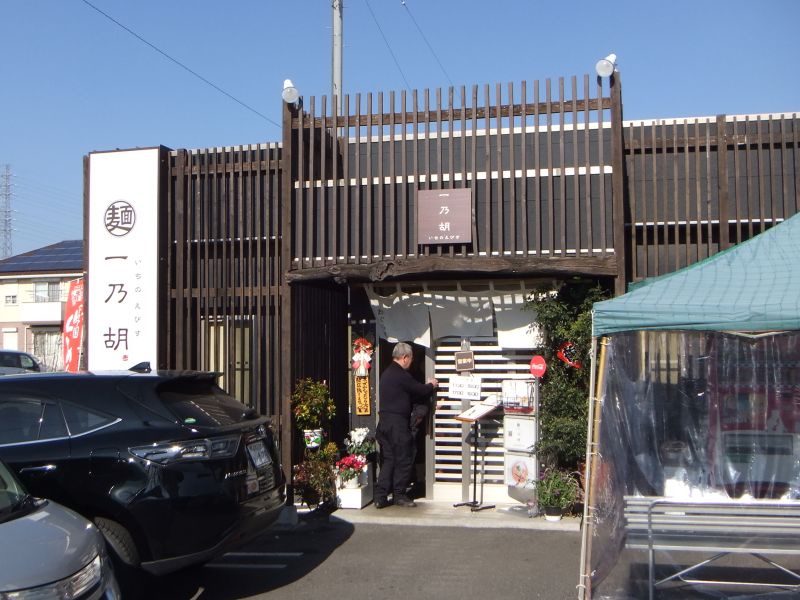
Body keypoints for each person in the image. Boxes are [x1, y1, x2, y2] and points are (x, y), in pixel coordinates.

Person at [374, 342, 438, 508]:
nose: (411, 362)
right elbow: (419, 390)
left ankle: (380, 497)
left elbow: (406, 394)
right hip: (397, 424)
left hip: (384, 423)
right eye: (411, 358)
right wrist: (431, 385)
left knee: (389, 460)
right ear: (404, 357)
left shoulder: (387, 373)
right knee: (404, 458)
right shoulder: (400, 374)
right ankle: (400, 495)